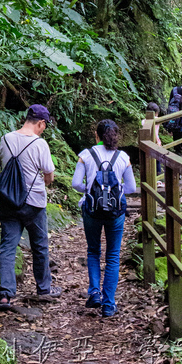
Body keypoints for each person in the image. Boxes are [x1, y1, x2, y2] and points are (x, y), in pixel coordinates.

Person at [0, 104, 62, 311]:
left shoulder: (6, 138)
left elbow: (2, 165)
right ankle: (44, 289)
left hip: (9, 201)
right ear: (41, 123)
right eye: (45, 125)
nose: (44, 129)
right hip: (34, 202)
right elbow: (49, 175)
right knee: (40, 246)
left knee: (8, 247)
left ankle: (6, 295)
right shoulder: (40, 144)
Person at [71, 119, 138, 318]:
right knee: (113, 255)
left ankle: (94, 293)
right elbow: (132, 188)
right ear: (116, 136)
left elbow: (76, 183)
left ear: (96, 135)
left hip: (91, 210)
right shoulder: (123, 157)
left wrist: (89, 191)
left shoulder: (86, 155)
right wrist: (116, 194)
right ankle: (109, 304)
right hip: (115, 213)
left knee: (93, 251)